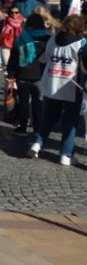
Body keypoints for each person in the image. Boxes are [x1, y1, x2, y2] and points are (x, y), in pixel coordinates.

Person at [27, 14, 86, 166]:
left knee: (48, 117)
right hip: (72, 87)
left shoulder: (52, 39)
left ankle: (37, 143)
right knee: (70, 122)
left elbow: (43, 59)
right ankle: (66, 155)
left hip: (52, 84)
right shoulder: (82, 43)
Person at [6, 13, 50, 134]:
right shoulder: (48, 39)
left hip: (23, 74)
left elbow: (13, 59)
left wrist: (11, 75)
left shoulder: (21, 38)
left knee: (24, 102)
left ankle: (23, 126)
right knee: (38, 103)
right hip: (40, 75)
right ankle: (38, 129)